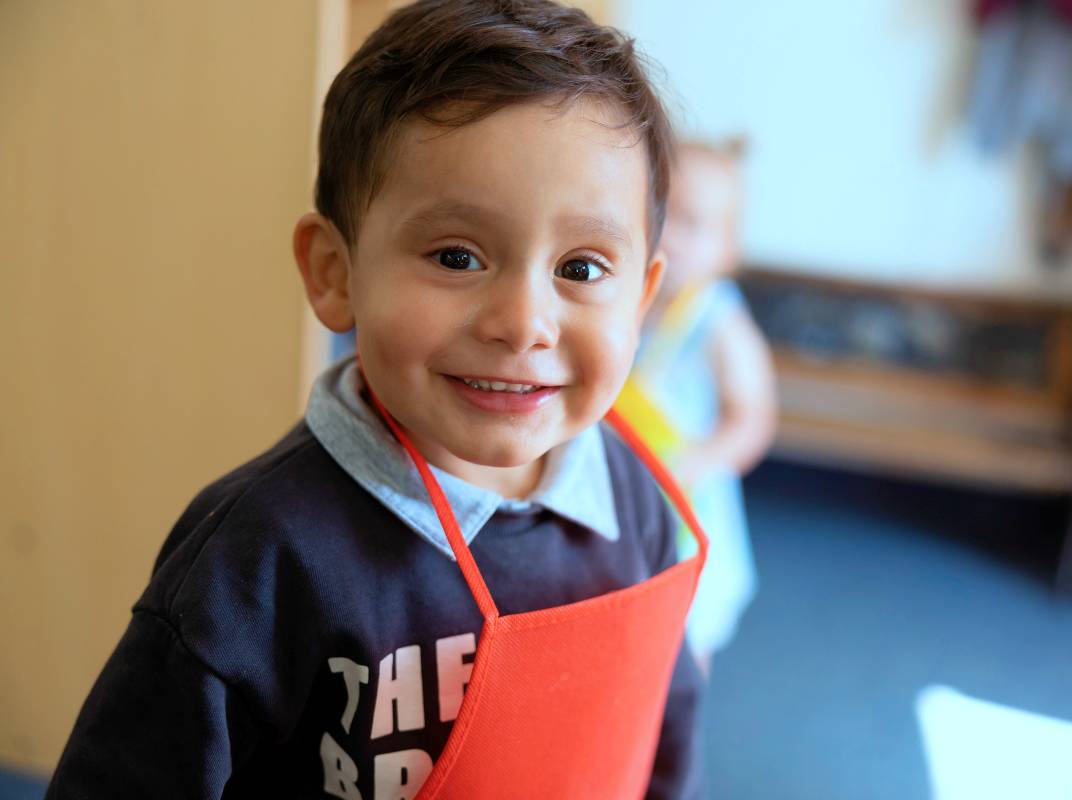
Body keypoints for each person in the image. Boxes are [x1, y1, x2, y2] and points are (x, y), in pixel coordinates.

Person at [46, 2, 707, 797]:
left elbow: (660, 725)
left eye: (582, 268)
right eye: (457, 256)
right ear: (334, 272)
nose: (523, 324)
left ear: (642, 299)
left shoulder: (633, 497)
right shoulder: (259, 557)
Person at [616, 140, 777, 670]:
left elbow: (753, 420)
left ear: (727, 248)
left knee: (687, 633)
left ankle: (683, 717)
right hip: (628, 488)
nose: (670, 235)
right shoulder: (624, 300)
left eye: (693, 223)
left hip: (688, 503)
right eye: (660, 212)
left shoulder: (717, 320)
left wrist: (702, 460)